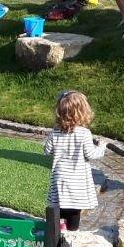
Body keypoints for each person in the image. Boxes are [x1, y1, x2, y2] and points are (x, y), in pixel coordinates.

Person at [45, 91, 105, 232]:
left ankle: (59, 231)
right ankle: (72, 235)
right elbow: (91, 154)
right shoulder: (84, 133)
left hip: (60, 178)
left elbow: (47, 150)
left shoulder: (55, 132)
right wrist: (101, 147)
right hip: (77, 181)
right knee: (74, 211)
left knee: (60, 208)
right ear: (82, 112)